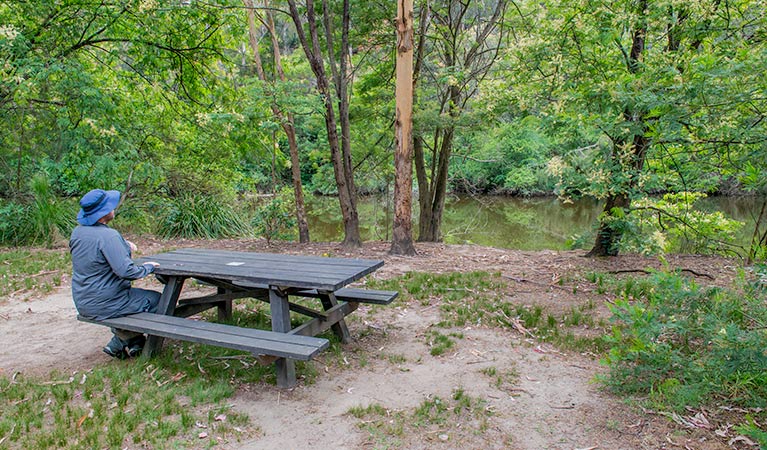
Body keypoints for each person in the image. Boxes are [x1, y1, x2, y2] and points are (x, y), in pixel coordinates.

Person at [69, 189, 161, 359]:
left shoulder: (78, 233)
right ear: (104, 213)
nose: (114, 208)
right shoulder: (109, 236)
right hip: (107, 302)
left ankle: (135, 343)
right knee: (159, 301)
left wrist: (123, 244)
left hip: (83, 300)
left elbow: (96, 250)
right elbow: (127, 271)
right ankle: (122, 340)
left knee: (138, 300)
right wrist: (149, 267)